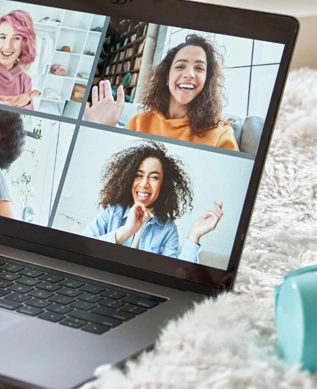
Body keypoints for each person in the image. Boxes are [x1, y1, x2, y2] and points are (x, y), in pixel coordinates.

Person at [83, 34, 238, 150]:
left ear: (207, 81)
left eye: (199, 68)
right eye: (180, 66)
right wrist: (103, 130)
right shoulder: (139, 122)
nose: (190, 74)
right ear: (166, 76)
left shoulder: (220, 136)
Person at [81, 143, 223, 263]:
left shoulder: (167, 229)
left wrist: (194, 235)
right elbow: (81, 248)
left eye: (154, 178)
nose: (144, 184)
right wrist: (127, 230)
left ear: (163, 185)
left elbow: (175, 276)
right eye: (138, 175)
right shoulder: (113, 212)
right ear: (129, 179)